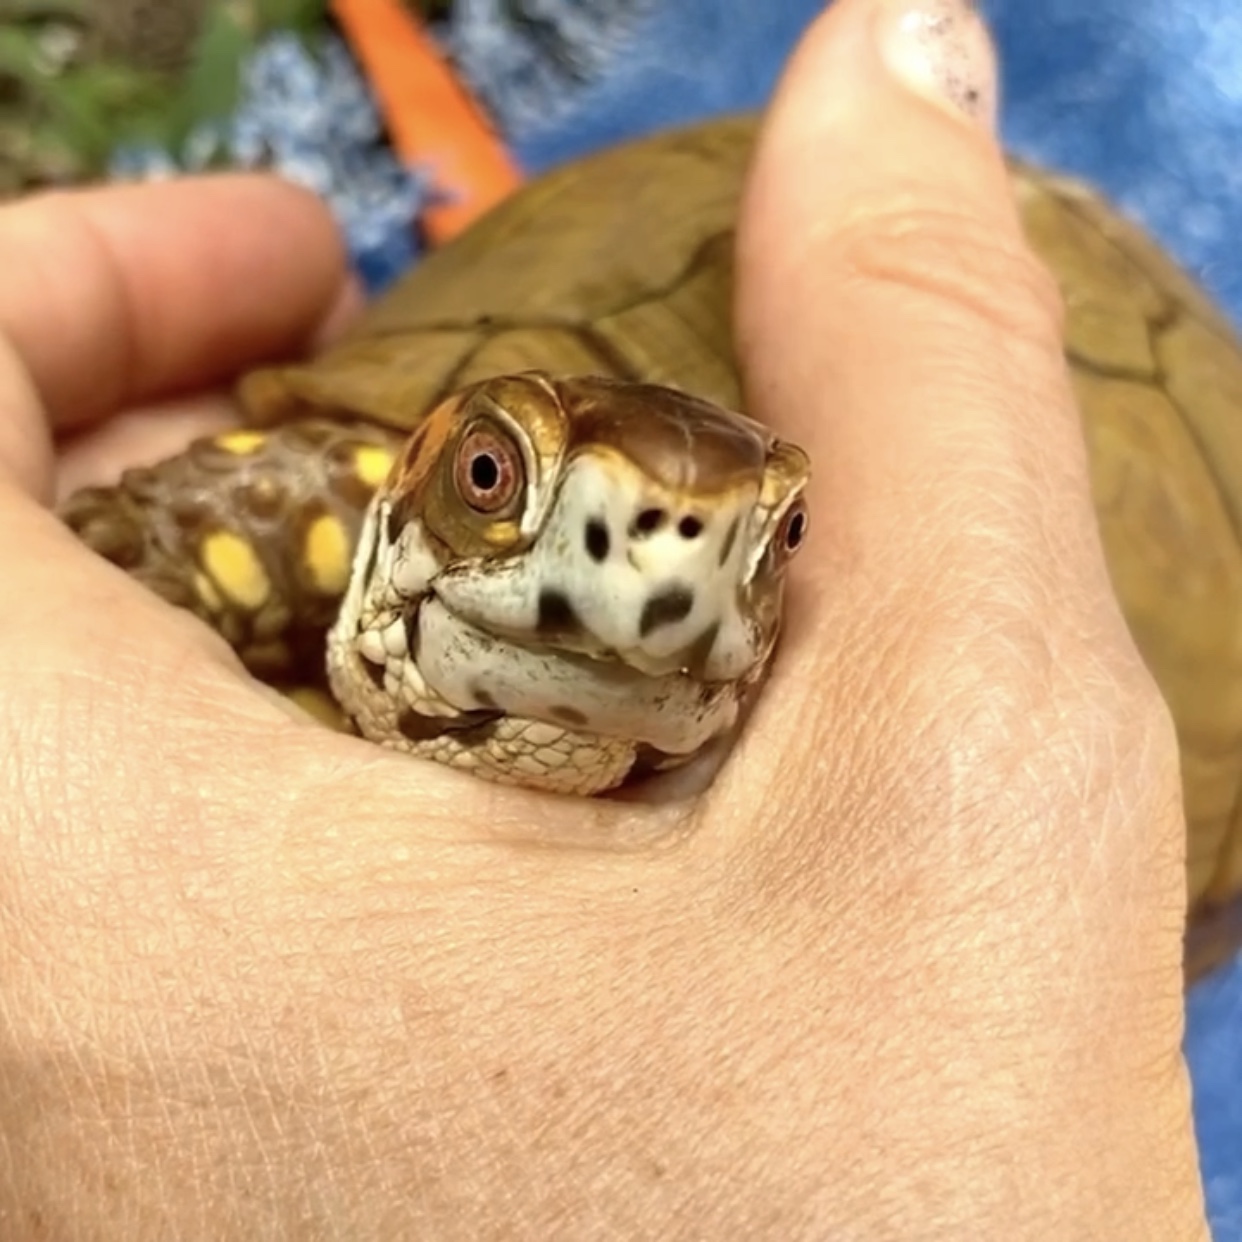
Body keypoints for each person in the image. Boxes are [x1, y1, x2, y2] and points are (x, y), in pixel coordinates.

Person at [0, 0, 1210, 1236]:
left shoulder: (933, 789)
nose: (645, 580)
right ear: (417, 487)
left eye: (766, 541)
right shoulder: (342, 506)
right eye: (493, 481)